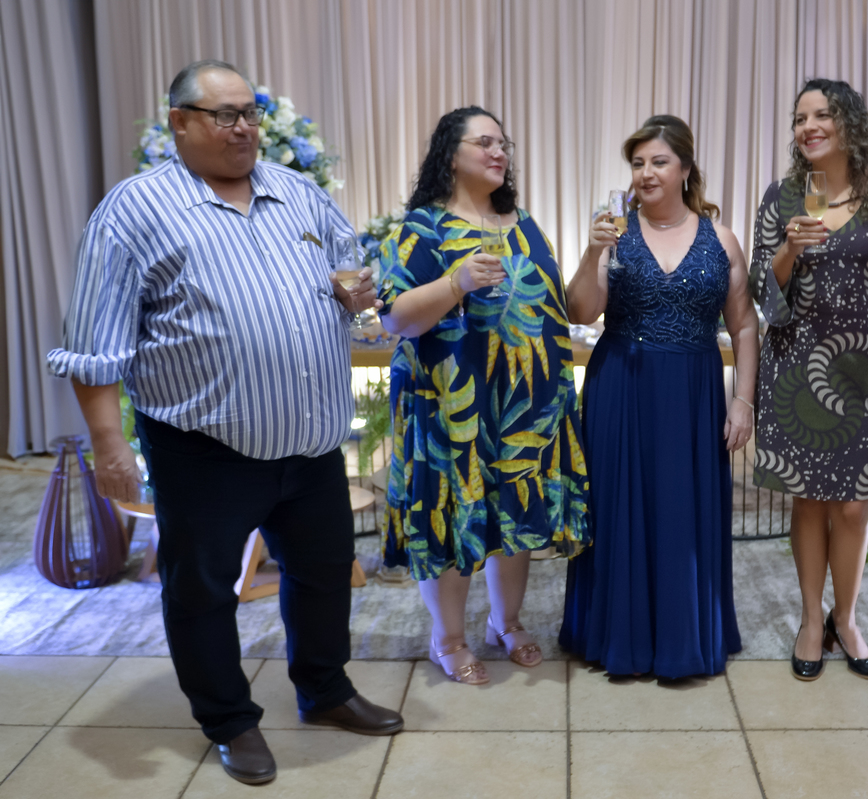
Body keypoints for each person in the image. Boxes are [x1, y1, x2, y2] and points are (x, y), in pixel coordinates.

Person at [46, 60, 403, 785]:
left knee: (324, 572)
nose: (243, 128)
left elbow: (354, 276)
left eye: (250, 113)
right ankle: (229, 719)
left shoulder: (298, 192)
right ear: (180, 122)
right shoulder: (133, 212)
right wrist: (110, 445)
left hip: (309, 440)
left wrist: (359, 293)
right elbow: (94, 342)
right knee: (202, 591)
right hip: (202, 449)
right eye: (224, 115)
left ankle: (325, 689)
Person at [377, 106, 590, 686]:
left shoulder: (525, 224)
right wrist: (458, 282)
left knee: (514, 511)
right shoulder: (422, 228)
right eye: (485, 143)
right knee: (454, 515)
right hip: (450, 405)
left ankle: (506, 621)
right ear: (451, 154)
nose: (499, 152)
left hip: (524, 402)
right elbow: (395, 318)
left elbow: (552, 306)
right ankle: (447, 637)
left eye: (503, 144)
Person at [558, 115, 757, 678]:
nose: (646, 173)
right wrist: (591, 254)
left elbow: (744, 325)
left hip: (694, 393)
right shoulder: (614, 234)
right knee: (617, 510)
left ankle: (683, 637)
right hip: (621, 386)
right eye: (638, 163)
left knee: (681, 514)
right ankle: (616, 636)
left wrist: (743, 400)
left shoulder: (721, 239)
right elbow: (580, 312)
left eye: (658, 162)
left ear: (685, 169)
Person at [750, 79, 868, 682]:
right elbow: (761, 297)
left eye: (822, 114)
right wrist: (788, 251)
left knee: (853, 507)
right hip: (797, 373)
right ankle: (810, 619)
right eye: (800, 117)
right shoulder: (781, 199)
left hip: (867, 376)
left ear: (849, 123)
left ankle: (846, 619)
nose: (809, 126)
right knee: (807, 499)